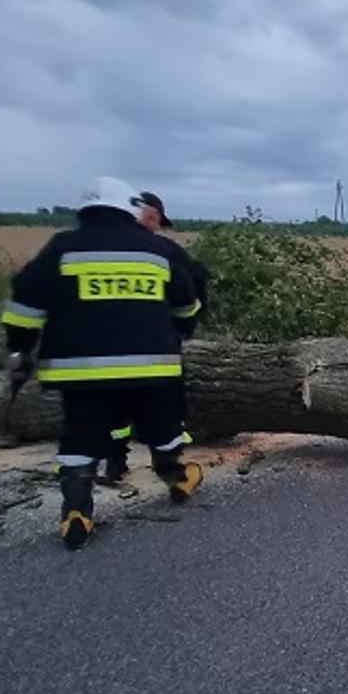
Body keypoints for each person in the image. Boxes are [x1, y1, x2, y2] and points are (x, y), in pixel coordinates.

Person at [1, 176, 205, 550]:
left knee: (82, 434)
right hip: (151, 366)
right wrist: (178, 331)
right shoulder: (155, 250)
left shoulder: (63, 247)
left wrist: (21, 350)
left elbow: (24, 307)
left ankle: (76, 509)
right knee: (162, 424)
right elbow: (187, 303)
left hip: (80, 371)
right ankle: (176, 476)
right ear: (131, 209)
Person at [101, 190, 209, 484]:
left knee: (114, 408)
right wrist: (185, 327)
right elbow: (194, 288)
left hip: (104, 349)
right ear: (150, 216)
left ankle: (115, 462)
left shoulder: (97, 247)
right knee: (165, 407)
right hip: (156, 347)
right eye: (158, 219)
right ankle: (171, 469)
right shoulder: (163, 251)